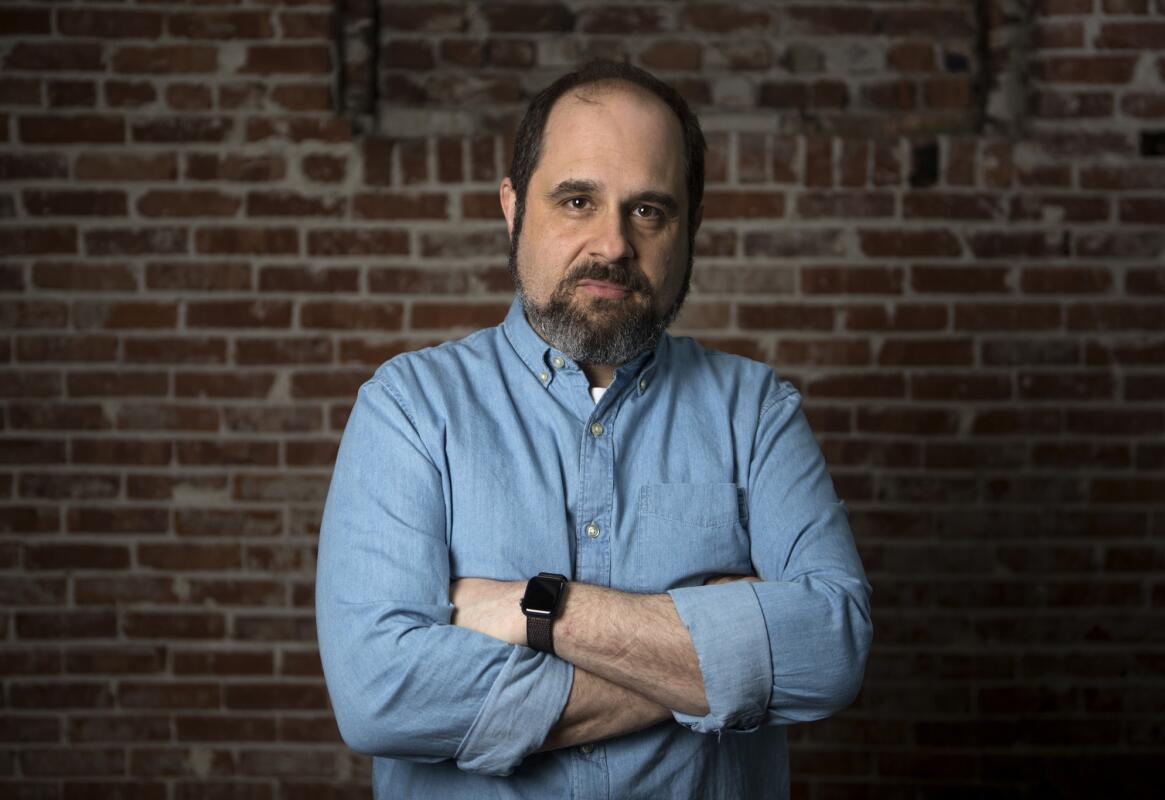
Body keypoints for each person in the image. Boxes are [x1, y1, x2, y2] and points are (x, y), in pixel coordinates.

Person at [315, 60, 872, 799]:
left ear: (690, 226)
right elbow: (379, 695)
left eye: (648, 211)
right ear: (513, 208)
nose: (612, 244)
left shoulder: (756, 410)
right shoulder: (411, 409)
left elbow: (831, 653)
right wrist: (717, 657)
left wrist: (537, 611)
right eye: (577, 200)